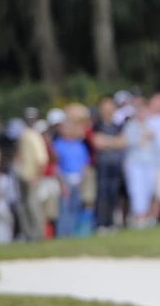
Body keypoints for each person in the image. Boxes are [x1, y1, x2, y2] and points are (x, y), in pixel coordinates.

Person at [90, 99, 126, 232]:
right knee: (102, 195)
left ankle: (110, 223)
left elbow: (123, 142)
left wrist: (107, 141)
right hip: (103, 165)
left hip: (115, 165)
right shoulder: (97, 125)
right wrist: (113, 142)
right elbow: (98, 143)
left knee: (113, 195)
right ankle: (101, 224)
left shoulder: (117, 126)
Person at [53, 114, 91, 238]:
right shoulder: (57, 145)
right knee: (64, 210)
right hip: (65, 180)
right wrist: (62, 183)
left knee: (75, 208)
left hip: (78, 180)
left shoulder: (79, 145)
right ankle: (63, 235)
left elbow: (84, 164)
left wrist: (83, 180)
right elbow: (56, 166)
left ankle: (73, 234)